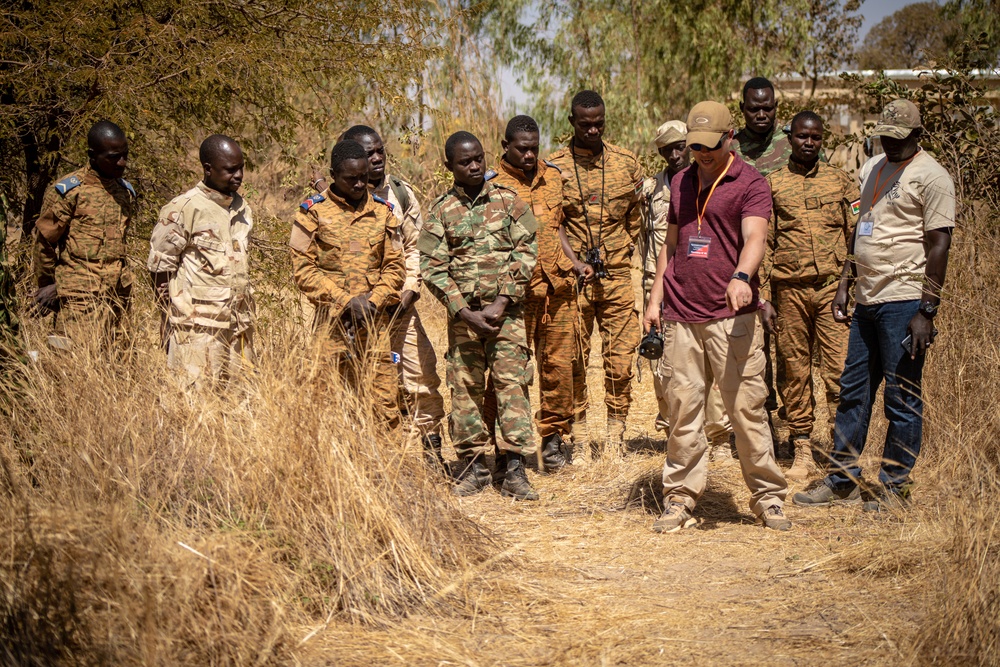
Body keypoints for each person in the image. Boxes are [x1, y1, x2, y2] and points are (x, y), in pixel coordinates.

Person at [793, 99, 955, 511]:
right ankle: (843, 478)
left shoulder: (932, 177)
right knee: (853, 392)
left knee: (900, 397)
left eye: (899, 139)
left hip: (904, 301)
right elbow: (859, 231)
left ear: (918, 136)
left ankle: (894, 486)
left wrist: (926, 311)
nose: (891, 144)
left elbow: (939, 245)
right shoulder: (871, 170)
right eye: (885, 136)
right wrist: (846, 283)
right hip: (866, 299)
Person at [643, 101, 790, 533]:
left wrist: (743, 275)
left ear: (730, 139)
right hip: (682, 315)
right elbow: (670, 247)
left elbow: (755, 236)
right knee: (683, 411)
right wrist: (655, 301)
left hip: (732, 318)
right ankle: (679, 499)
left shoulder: (751, 182)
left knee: (746, 410)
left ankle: (768, 498)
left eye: (710, 146)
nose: (701, 154)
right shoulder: (683, 182)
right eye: (695, 146)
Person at [312, 125, 446, 468]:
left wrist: (410, 289)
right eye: (366, 154)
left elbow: (415, 247)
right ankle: (363, 460)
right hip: (350, 317)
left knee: (420, 377)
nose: (375, 160)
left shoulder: (401, 194)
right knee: (352, 384)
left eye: (379, 152)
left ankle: (432, 455)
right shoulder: (323, 204)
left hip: (399, 308)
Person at [418, 131, 539, 500]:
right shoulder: (440, 211)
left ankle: (513, 467)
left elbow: (527, 250)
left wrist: (502, 301)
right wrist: (462, 310)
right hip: (464, 322)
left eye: (478, 159)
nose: (474, 166)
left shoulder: (509, 202)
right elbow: (432, 266)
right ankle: (472, 467)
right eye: (464, 162)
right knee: (465, 390)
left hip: (507, 317)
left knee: (512, 386)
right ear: (449, 166)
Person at [761, 111, 860, 481]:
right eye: (802, 136)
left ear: (822, 140)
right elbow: (765, 244)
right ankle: (801, 447)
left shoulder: (841, 182)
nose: (809, 143)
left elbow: (857, 237)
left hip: (833, 291)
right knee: (794, 371)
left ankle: (841, 452)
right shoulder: (772, 185)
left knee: (840, 371)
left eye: (816, 137)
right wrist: (765, 296)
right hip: (789, 292)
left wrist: (848, 285)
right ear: (790, 138)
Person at [548, 90, 643, 453]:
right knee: (573, 358)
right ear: (571, 122)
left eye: (599, 124)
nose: (593, 130)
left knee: (620, 361)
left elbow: (635, 216)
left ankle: (616, 434)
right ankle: (581, 433)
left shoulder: (627, 163)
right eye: (585, 124)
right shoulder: (554, 167)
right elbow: (552, 221)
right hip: (573, 279)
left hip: (617, 276)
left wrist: (619, 250)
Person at [290, 139, 405, 432]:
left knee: (384, 406)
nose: (358, 185)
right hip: (331, 327)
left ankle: (385, 473)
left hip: (374, 326)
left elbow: (395, 267)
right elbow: (303, 269)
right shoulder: (312, 212)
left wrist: (373, 301)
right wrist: (345, 301)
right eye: (350, 179)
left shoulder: (383, 212)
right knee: (326, 405)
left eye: (364, 178)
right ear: (332, 174)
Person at [483, 115, 576, 473]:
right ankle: (504, 450)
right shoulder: (492, 185)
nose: (529, 155)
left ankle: (553, 443)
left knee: (558, 370)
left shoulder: (552, 176)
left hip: (558, 289)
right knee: (510, 374)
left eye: (535, 148)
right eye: (522, 149)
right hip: (514, 295)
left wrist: (575, 261)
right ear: (505, 146)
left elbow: (559, 225)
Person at [642, 120, 734, 463]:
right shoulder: (650, 189)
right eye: (667, 149)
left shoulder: (713, 180)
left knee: (712, 362)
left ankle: (720, 437)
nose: (676, 153)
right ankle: (675, 432)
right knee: (663, 364)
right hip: (660, 282)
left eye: (681, 145)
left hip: (702, 282)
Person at [148, 134, 256, 388]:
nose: (238, 175)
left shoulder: (242, 208)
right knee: (194, 409)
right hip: (198, 330)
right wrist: (167, 319)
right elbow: (160, 268)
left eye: (241, 168)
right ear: (208, 169)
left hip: (239, 326)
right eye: (230, 169)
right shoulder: (184, 208)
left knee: (239, 406)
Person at [33, 121, 135, 347]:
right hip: (80, 296)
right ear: (92, 155)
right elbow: (44, 242)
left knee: (117, 361)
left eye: (125, 155)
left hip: (117, 294)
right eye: (113, 157)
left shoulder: (124, 191)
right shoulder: (69, 191)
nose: (122, 163)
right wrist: (50, 285)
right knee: (71, 361)